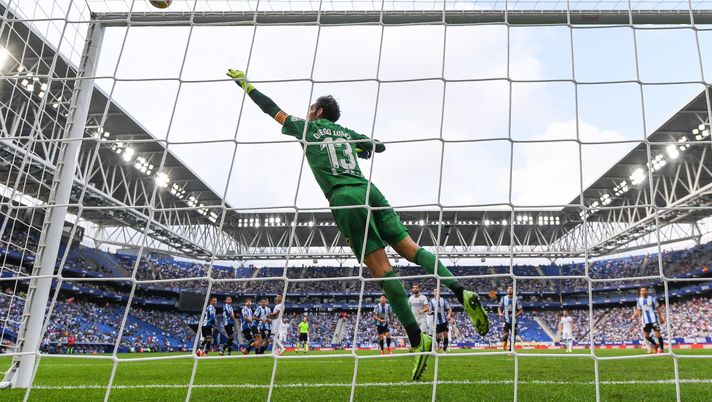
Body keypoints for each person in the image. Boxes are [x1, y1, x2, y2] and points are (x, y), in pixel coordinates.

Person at [228, 68, 489, 380]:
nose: (307, 111)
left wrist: (247, 85)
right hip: (369, 190)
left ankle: (418, 339)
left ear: (318, 111)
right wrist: (364, 148)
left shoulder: (306, 127)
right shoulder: (345, 133)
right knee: (410, 248)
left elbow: (273, 110)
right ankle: (459, 290)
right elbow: (378, 146)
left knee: (382, 269)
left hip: (345, 198)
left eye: (311, 107)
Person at [634, 287, 665, 354]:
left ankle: (661, 349)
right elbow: (639, 310)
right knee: (646, 336)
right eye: (642, 290)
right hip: (645, 321)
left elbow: (658, 309)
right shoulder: (639, 300)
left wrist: (661, 318)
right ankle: (656, 345)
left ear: (647, 291)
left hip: (654, 319)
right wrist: (640, 319)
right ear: (640, 292)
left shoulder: (652, 299)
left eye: (644, 290)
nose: (643, 292)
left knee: (658, 335)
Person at [498, 287, 523, 352]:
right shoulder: (503, 298)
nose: (509, 290)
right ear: (507, 290)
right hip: (505, 320)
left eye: (511, 289)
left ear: (513, 290)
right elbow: (499, 308)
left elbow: (521, 310)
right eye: (508, 289)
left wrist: (515, 315)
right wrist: (500, 313)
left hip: (514, 321)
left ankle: (511, 349)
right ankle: (505, 344)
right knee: (505, 334)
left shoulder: (516, 299)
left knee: (513, 335)